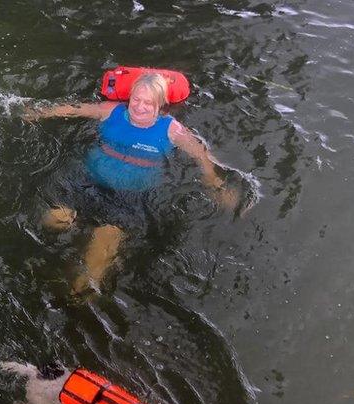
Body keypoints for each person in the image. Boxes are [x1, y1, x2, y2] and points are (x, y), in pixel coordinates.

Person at [23, 72, 239, 294]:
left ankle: (76, 298)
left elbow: (201, 154)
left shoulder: (171, 129)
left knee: (91, 270)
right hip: (87, 184)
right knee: (52, 220)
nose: (140, 107)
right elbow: (76, 108)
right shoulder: (112, 111)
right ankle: (77, 230)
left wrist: (215, 184)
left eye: (148, 102)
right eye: (136, 99)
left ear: (160, 104)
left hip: (127, 198)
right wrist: (41, 113)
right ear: (130, 97)